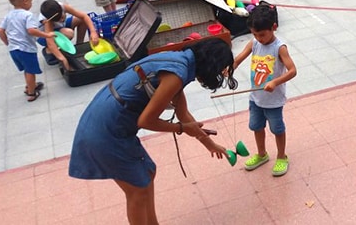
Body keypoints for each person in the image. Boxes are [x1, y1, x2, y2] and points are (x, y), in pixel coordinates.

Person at [69, 38, 235, 224]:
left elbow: (184, 115)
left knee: (147, 174)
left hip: (105, 118)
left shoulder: (180, 61)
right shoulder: (177, 74)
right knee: (137, 191)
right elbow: (146, 120)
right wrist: (180, 128)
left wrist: (210, 145)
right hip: (105, 130)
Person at [232, 5, 297, 177]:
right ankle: (262, 154)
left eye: (262, 34)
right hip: (255, 98)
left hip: (273, 101)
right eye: (254, 34)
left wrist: (275, 81)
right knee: (256, 127)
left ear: (273, 27)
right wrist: (231, 66)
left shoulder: (279, 47)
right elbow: (240, 57)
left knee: (277, 129)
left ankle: (282, 156)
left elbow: (292, 71)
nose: (258, 38)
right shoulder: (254, 43)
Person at [0, 0, 52, 102]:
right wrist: (47, 35)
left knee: (27, 70)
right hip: (26, 49)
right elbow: (31, 30)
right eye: (31, 1)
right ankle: (32, 92)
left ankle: (29, 85)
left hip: (13, 50)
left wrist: (7, 42)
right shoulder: (28, 15)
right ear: (25, 0)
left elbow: (0, 30)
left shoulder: (9, 15)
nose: (32, 4)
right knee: (30, 71)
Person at [38, 0, 99, 68]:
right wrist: (62, 59)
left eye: (62, 17)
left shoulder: (62, 6)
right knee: (69, 33)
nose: (62, 20)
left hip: (61, 27)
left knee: (80, 19)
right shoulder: (47, 21)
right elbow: (50, 41)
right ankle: (48, 51)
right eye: (59, 20)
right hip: (44, 36)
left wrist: (93, 32)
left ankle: (79, 44)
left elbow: (84, 16)